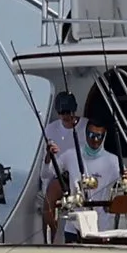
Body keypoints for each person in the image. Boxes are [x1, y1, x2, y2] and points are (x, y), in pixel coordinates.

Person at [58, 118, 124, 236]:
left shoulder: (113, 161)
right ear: (85, 133)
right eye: (91, 135)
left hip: (102, 229)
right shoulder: (70, 155)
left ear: (104, 137)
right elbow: (47, 173)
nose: (95, 140)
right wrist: (49, 156)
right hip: (74, 227)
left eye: (99, 136)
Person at [41, 90, 87, 233]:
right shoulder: (50, 129)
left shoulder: (87, 126)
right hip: (60, 176)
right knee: (48, 206)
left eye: (69, 112)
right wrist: (49, 155)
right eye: (62, 113)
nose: (66, 116)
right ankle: (52, 237)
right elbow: (45, 172)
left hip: (83, 174)